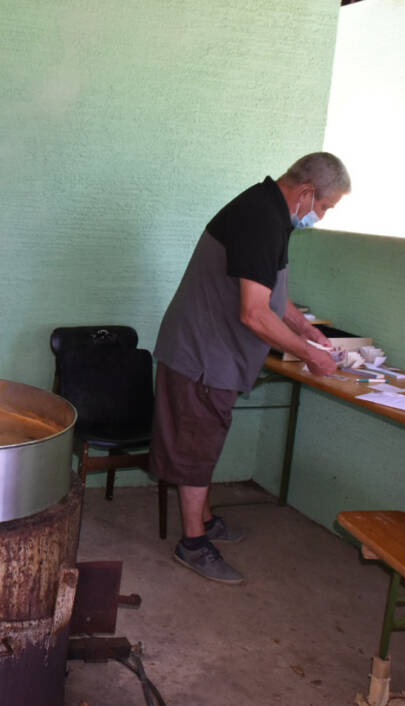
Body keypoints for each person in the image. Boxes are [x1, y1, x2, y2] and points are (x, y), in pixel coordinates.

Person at [150, 152, 351, 585]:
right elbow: (255, 314)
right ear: (307, 193)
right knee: (196, 448)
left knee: (206, 438)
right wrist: (311, 355)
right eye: (324, 207)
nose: (320, 216)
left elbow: (273, 293)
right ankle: (193, 543)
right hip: (202, 354)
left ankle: (204, 521)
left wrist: (308, 330)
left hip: (211, 351)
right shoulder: (261, 218)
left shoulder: (270, 212)